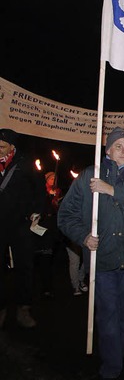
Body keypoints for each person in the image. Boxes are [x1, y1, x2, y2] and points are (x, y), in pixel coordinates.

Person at [57, 127, 124, 380]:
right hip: (102, 258)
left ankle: (117, 356)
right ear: (108, 150)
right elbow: (65, 215)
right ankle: (112, 368)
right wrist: (83, 237)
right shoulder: (89, 175)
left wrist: (109, 189)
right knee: (108, 312)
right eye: (118, 146)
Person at [0, 128, 45, 328]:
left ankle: (23, 308)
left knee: (24, 266)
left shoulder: (25, 163)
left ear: (12, 146)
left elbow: (39, 190)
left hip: (21, 223)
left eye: (1, 146)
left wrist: (36, 211)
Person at [34, 171, 62, 298]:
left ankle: (48, 286)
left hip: (51, 229)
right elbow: (39, 208)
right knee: (41, 257)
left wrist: (55, 200)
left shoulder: (56, 192)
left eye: (55, 179)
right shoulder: (41, 192)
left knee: (48, 258)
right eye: (51, 178)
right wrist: (47, 196)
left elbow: (57, 209)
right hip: (40, 228)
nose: (53, 181)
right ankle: (42, 286)